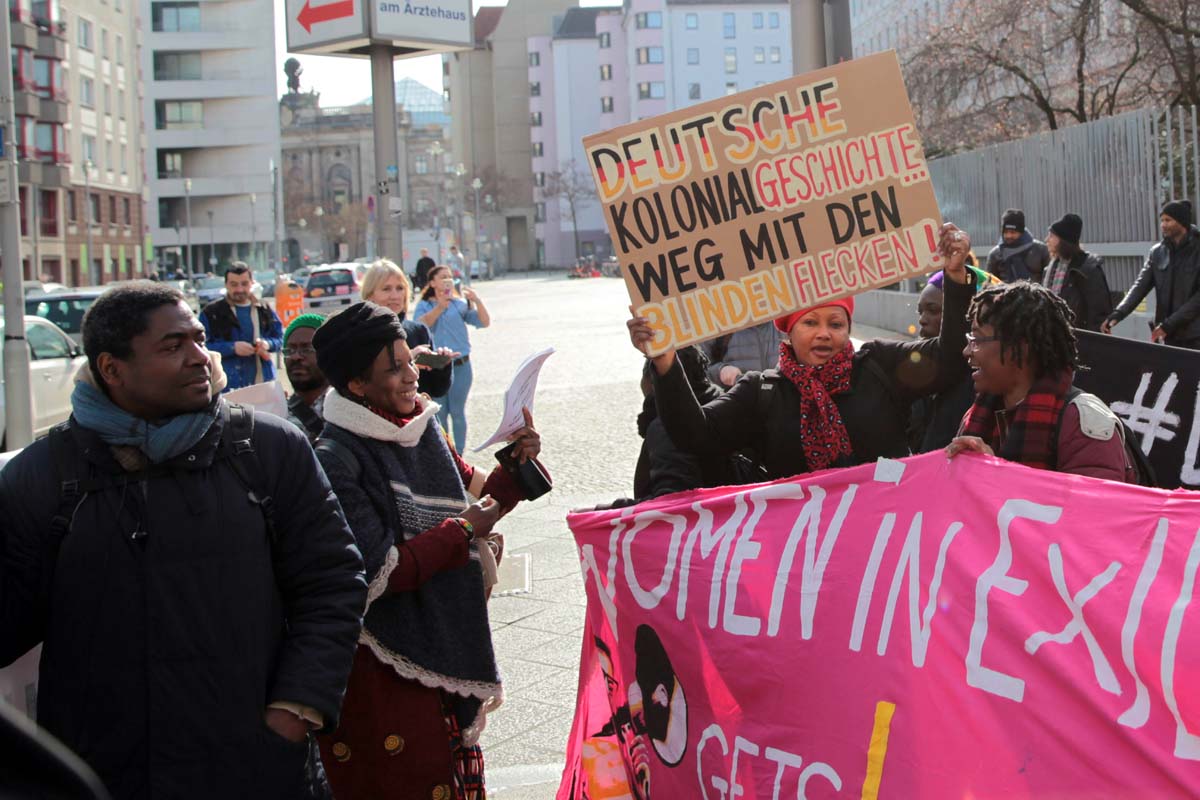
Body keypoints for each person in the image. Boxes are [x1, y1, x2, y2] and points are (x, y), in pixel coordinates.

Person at [0, 282, 367, 798]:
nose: (201, 357)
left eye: (198, 339)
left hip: (254, 766)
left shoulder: (269, 450)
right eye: (173, 347)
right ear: (112, 369)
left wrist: (295, 709)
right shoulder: (42, 475)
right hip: (106, 772)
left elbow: (333, 582)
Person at [309, 302, 546, 800]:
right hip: (382, 666)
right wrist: (462, 531)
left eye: (409, 360)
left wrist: (517, 465)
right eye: (393, 368)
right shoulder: (336, 458)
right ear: (356, 385)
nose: (412, 375)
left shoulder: (422, 428)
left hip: (439, 654)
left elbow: (479, 500)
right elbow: (380, 571)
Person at [628, 225, 976, 481]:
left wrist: (956, 277)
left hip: (889, 543)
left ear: (849, 329)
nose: (824, 333)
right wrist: (665, 361)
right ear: (789, 331)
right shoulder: (761, 392)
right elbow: (694, 433)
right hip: (803, 559)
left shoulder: (878, 365)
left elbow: (948, 359)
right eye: (810, 322)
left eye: (836, 324)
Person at [947, 281, 1138, 482]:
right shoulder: (977, 416)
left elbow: (1092, 510)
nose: (967, 351)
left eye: (977, 339)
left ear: (1020, 347)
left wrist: (997, 474)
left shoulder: (1084, 423)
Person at [908, 265, 1000, 453]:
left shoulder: (987, 381)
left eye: (933, 310)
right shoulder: (915, 368)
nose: (922, 320)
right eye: (920, 311)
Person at [1103, 200, 1200, 348]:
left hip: (1195, 334)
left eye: (1168, 220)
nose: (1163, 225)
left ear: (1182, 222)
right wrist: (1118, 313)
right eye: (1161, 220)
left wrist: (1169, 324)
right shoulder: (1157, 252)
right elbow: (1140, 286)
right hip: (1168, 335)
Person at [415, 265, 491, 453]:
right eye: (442, 277)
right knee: (439, 412)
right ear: (432, 282)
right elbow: (419, 326)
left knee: (458, 412)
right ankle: (445, 452)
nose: (447, 280)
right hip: (436, 365)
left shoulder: (459, 304)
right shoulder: (425, 305)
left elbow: (483, 322)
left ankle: (460, 453)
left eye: (449, 277)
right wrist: (441, 306)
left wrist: (477, 301)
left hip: (461, 365)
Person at [361, 259, 454, 398]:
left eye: (400, 288)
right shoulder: (359, 333)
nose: (395, 296)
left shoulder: (418, 330)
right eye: (386, 289)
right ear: (370, 295)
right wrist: (409, 358)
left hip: (420, 416)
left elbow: (437, 390)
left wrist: (443, 365)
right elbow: (363, 382)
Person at [199, 262, 284, 391]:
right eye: (234, 285)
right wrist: (232, 348)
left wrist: (267, 344)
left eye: (244, 284)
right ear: (226, 285)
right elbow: (201, 348)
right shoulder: (211, 313)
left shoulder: (264, 309)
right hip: (228, 387)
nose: (239, 289)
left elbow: (280, 339)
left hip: (263, 383)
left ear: (252, 283)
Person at [1041, 213, 1113, 332]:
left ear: (1063, 241)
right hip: (1052, 338)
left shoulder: (1087, 268)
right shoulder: (1050, 269)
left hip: (1079, 340)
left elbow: (1099, 313)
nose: (1046, 240)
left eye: (1052, 236)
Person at [283, 313, 329, 442]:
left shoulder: (346, 409)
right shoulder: (279, 412)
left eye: (307, 349)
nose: (295, 357)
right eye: (289, 350)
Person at [701, 321, 786, 389]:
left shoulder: (784, 320)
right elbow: (698, 370)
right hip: (738, 402)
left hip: (782, 400)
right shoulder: (715, 324)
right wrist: (720, 371)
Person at [986, 208, 1051, 283]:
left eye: (1013, 232)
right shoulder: (995, 254)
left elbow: (1049, 281)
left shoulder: (1041, 250)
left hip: (1035, 293)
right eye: (1006, 232)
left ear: (1021, 232)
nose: (1009, 236)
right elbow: (990, 284)